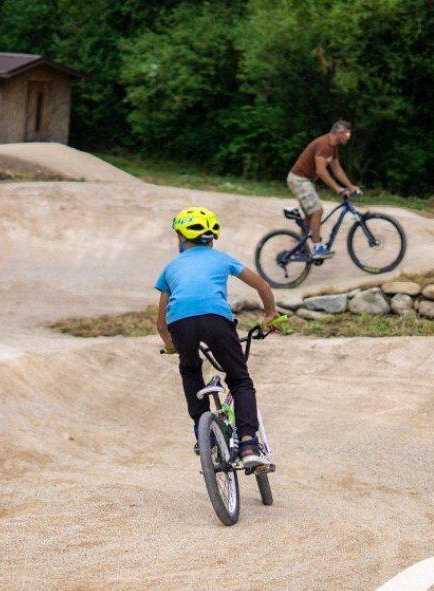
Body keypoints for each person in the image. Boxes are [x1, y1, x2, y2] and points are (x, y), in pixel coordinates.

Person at [155, 207, 280, 468]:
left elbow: (160, 322)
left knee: (190, 370)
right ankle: (248, 445)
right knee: (240, 380)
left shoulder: (170, 268)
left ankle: (203, 437)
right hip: (216, 320)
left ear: (180, 239)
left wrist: (170, 345)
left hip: (180, 322)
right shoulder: (222, 258)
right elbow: (262, 286)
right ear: (212, 239)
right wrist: (270, 314)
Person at [287, 120, 362, 260]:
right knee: (317, 210)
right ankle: (317, 248)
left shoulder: (333, 147)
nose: (348, 137)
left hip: (305, 181)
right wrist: (338, 189)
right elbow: (321, 171)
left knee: (310, 218)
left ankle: (300, 249)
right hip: (299, 179)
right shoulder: (324, 144)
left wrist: (351, 186)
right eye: (347, 133)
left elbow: (336, 169)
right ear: (340, 132)